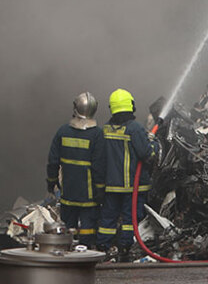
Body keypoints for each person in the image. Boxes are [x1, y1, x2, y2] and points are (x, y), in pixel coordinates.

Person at [96, 88, 158, 262]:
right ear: (130, 105)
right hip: (133, 186)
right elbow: (147, 155)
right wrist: (154, 145)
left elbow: (100, 158)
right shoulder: (135, 129)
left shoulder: (106, 129)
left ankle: (103, 247)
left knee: (108, 218)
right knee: (130, 219)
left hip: (111, 185)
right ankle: (124, 249)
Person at [46, 92, 106, 247]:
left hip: (68, 192)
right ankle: (84, 255)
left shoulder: (63, 131)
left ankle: (66, 254)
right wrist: (100, 189)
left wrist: (51, 182)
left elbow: (53, 161)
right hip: (89, 194)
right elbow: (99, 165)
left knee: (68, 228)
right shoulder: (97, 134)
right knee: (87, 229)